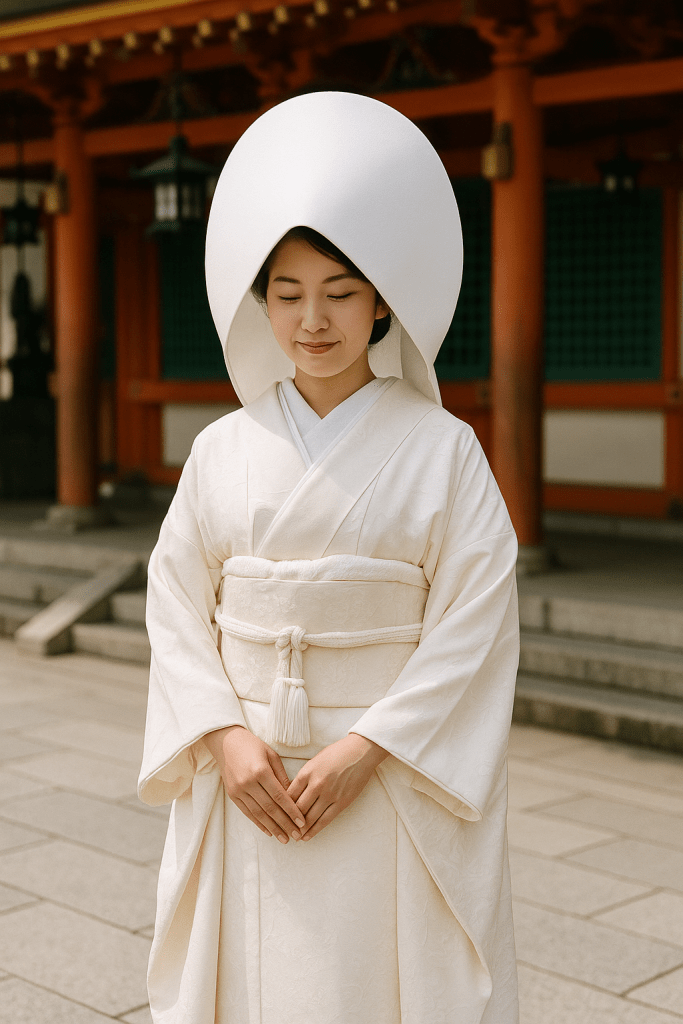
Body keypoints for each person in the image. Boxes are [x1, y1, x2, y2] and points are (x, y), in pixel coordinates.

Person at [138, 91, 520, 1024]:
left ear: (381, 299)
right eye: (288, 293)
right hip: (252, 774)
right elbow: (175, 600)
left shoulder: (443, 449)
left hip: (385, 771)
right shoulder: (223, 449)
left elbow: (475, 620)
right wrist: (224, 737)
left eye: (341, 292)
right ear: (259, 301)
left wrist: (367, 747)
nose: (314, 320)